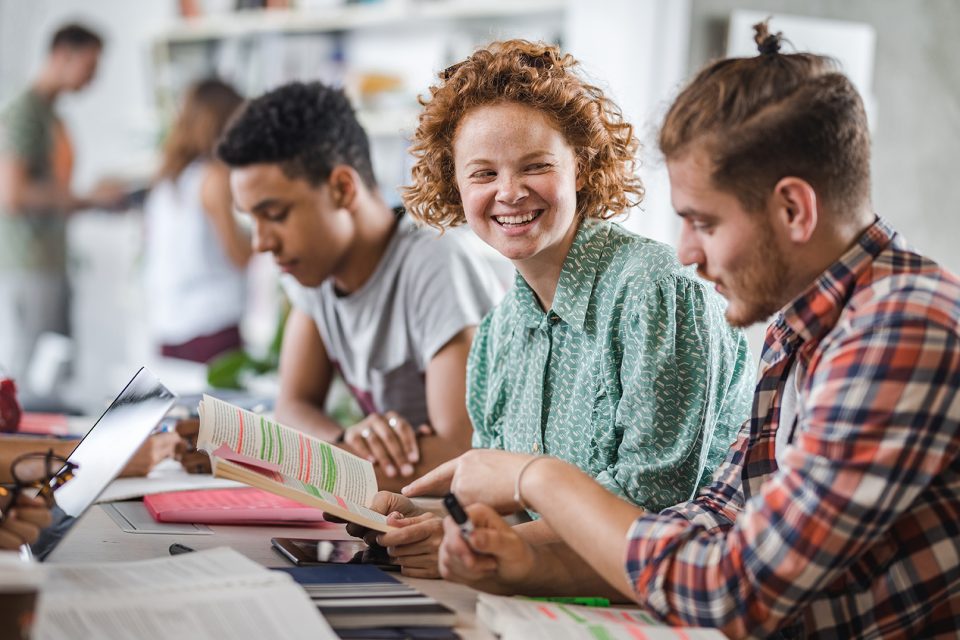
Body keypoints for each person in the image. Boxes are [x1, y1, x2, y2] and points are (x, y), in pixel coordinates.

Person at [415, 23, 960, 639]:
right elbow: (719, 517)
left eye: (703, 222)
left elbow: (734, 590)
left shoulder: (899, 330)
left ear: (794, 210)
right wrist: (524, 558)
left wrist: (533, 474)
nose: (686, 253)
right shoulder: (801, 326)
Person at [349, 39, 753, 578]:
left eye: (535, 166)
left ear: (580, 169)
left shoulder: (656, 290)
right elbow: (508, 506)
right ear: (455, 185)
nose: (509, 193)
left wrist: (461, 539)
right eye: (483, 173)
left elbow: (648, 501)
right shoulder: (496, 335)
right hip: (551, 597)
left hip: (678, 600)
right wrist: (417, 516)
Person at [216, 81, 501, 492]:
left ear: (342, 188)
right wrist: (343, 441)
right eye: (251, 220)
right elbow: (293, 406)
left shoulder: (434, 264)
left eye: (275, 214)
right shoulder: (314, 269)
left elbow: (458, 450)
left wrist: (302, 463)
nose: (261, 243)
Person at [0, 23, 124, 382]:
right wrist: (87, 197)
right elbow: (12, 194)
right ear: (62, 56)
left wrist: (94, 197)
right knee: (36, 376)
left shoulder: (49, 114)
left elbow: (51, 189)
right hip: (30, 262)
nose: (92, 78)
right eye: (89, 66)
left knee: (56, 370)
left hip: (51, 260)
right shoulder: (25, 111)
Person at [144, 79, 251, 363]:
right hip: (212, 325)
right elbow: (238, 255)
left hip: (168, 326)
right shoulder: (214, 177)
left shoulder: (166, 181)